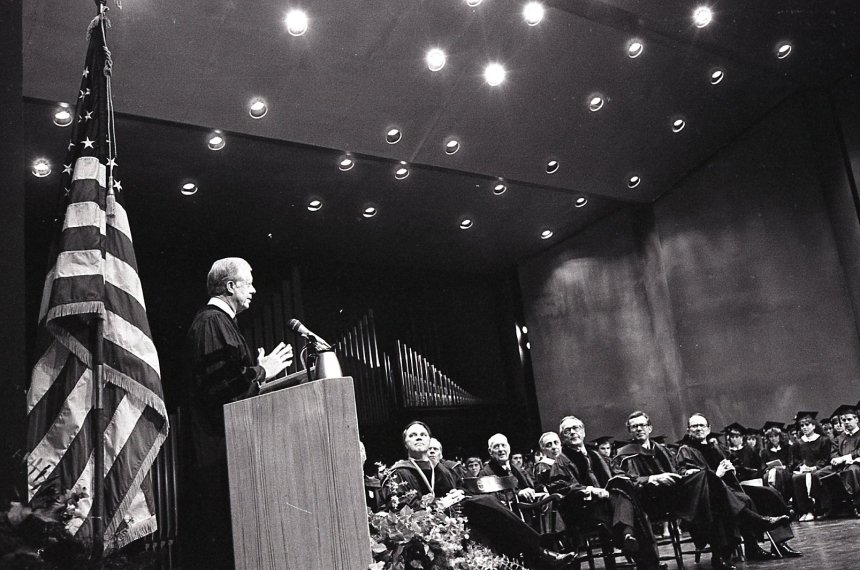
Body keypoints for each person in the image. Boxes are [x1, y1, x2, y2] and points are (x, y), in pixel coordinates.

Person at [182, 257, 294, 568]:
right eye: (249, 282)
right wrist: (261, 372)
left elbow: (231, 383)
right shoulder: (210, 323)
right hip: (216, 455)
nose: (255, 290)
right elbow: (222, 392)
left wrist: (258, 373)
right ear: (230, 286)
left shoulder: (222, 324)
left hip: (226, 453)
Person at [383, 422, 575, 569]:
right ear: (405, 442)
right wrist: (441, 504)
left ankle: (535, 556)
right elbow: (405, 511)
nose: (419, 437)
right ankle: (539, 551)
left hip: (455, 519)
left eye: (423, 434)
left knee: (492, 521)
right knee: (485, 503)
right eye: (413, 435)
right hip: (428, 526)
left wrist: (458, 493)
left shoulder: (441, 469)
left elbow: (463, 489)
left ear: (429, 440)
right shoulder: (400, 472)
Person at [676, 413, 798, 567]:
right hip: (709, 496)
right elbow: (689, 477)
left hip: (731, 488)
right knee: (743, 499)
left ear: (709, 428)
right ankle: (752, 545)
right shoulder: (685, 450)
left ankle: (780, 543)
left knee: (769, 494)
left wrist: (735, 469)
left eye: (702, 425)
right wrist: (717, 474)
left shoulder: (717, 447)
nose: (698, 429)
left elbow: (738, 465)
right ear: (688, 430)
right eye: (694, 426)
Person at [548, 415, 660, 570]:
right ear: (563, 437)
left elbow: (617, 476)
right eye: (568, 430)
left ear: (584, 432)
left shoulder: (597, 455)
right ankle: (634, 543)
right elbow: (559, 487)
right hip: (586, 509)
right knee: (633, 511)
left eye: (576, 428)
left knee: (626, 491)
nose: (573, 432)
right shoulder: (562, 460)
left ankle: (630, 537)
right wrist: (590, 490)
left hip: (610, 504)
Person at [792, 411, 835, 520]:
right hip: (804, 470)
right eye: (802, 425)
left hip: (818, 469)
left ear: (814, 425)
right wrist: (801, 466)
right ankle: (805, 510)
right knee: (796, 478)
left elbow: (826, 459)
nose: (804, 428)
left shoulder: (823, 440)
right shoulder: (798, 443)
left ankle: (816, 509)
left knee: (814, 476)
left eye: (807, 425)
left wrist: (814, 467)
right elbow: (796, 460)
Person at [829, 404, 860, 516]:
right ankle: (828, 508)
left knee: (852, 471)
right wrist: (835, 459)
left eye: (849, 419)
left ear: (856, 419)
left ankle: (857, 505)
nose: (846, 422)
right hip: (841, 465)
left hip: (857, 464)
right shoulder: (839, 437)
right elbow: (833, 453)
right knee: (820, 473)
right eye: (843, 420)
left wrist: (844, 458)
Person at [759, 422, 794, 504]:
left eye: (776, 436)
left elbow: (791, 463)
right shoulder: (765, 451)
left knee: (779, 473)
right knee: (769, 474)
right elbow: (763, 466)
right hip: (770, 472)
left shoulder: (787, 448)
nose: (773, 438)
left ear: (780, 436)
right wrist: (769, 468)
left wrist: (784, 467)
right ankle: (772, 499)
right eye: (771, 436)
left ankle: (781, 499)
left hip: (784, 471)